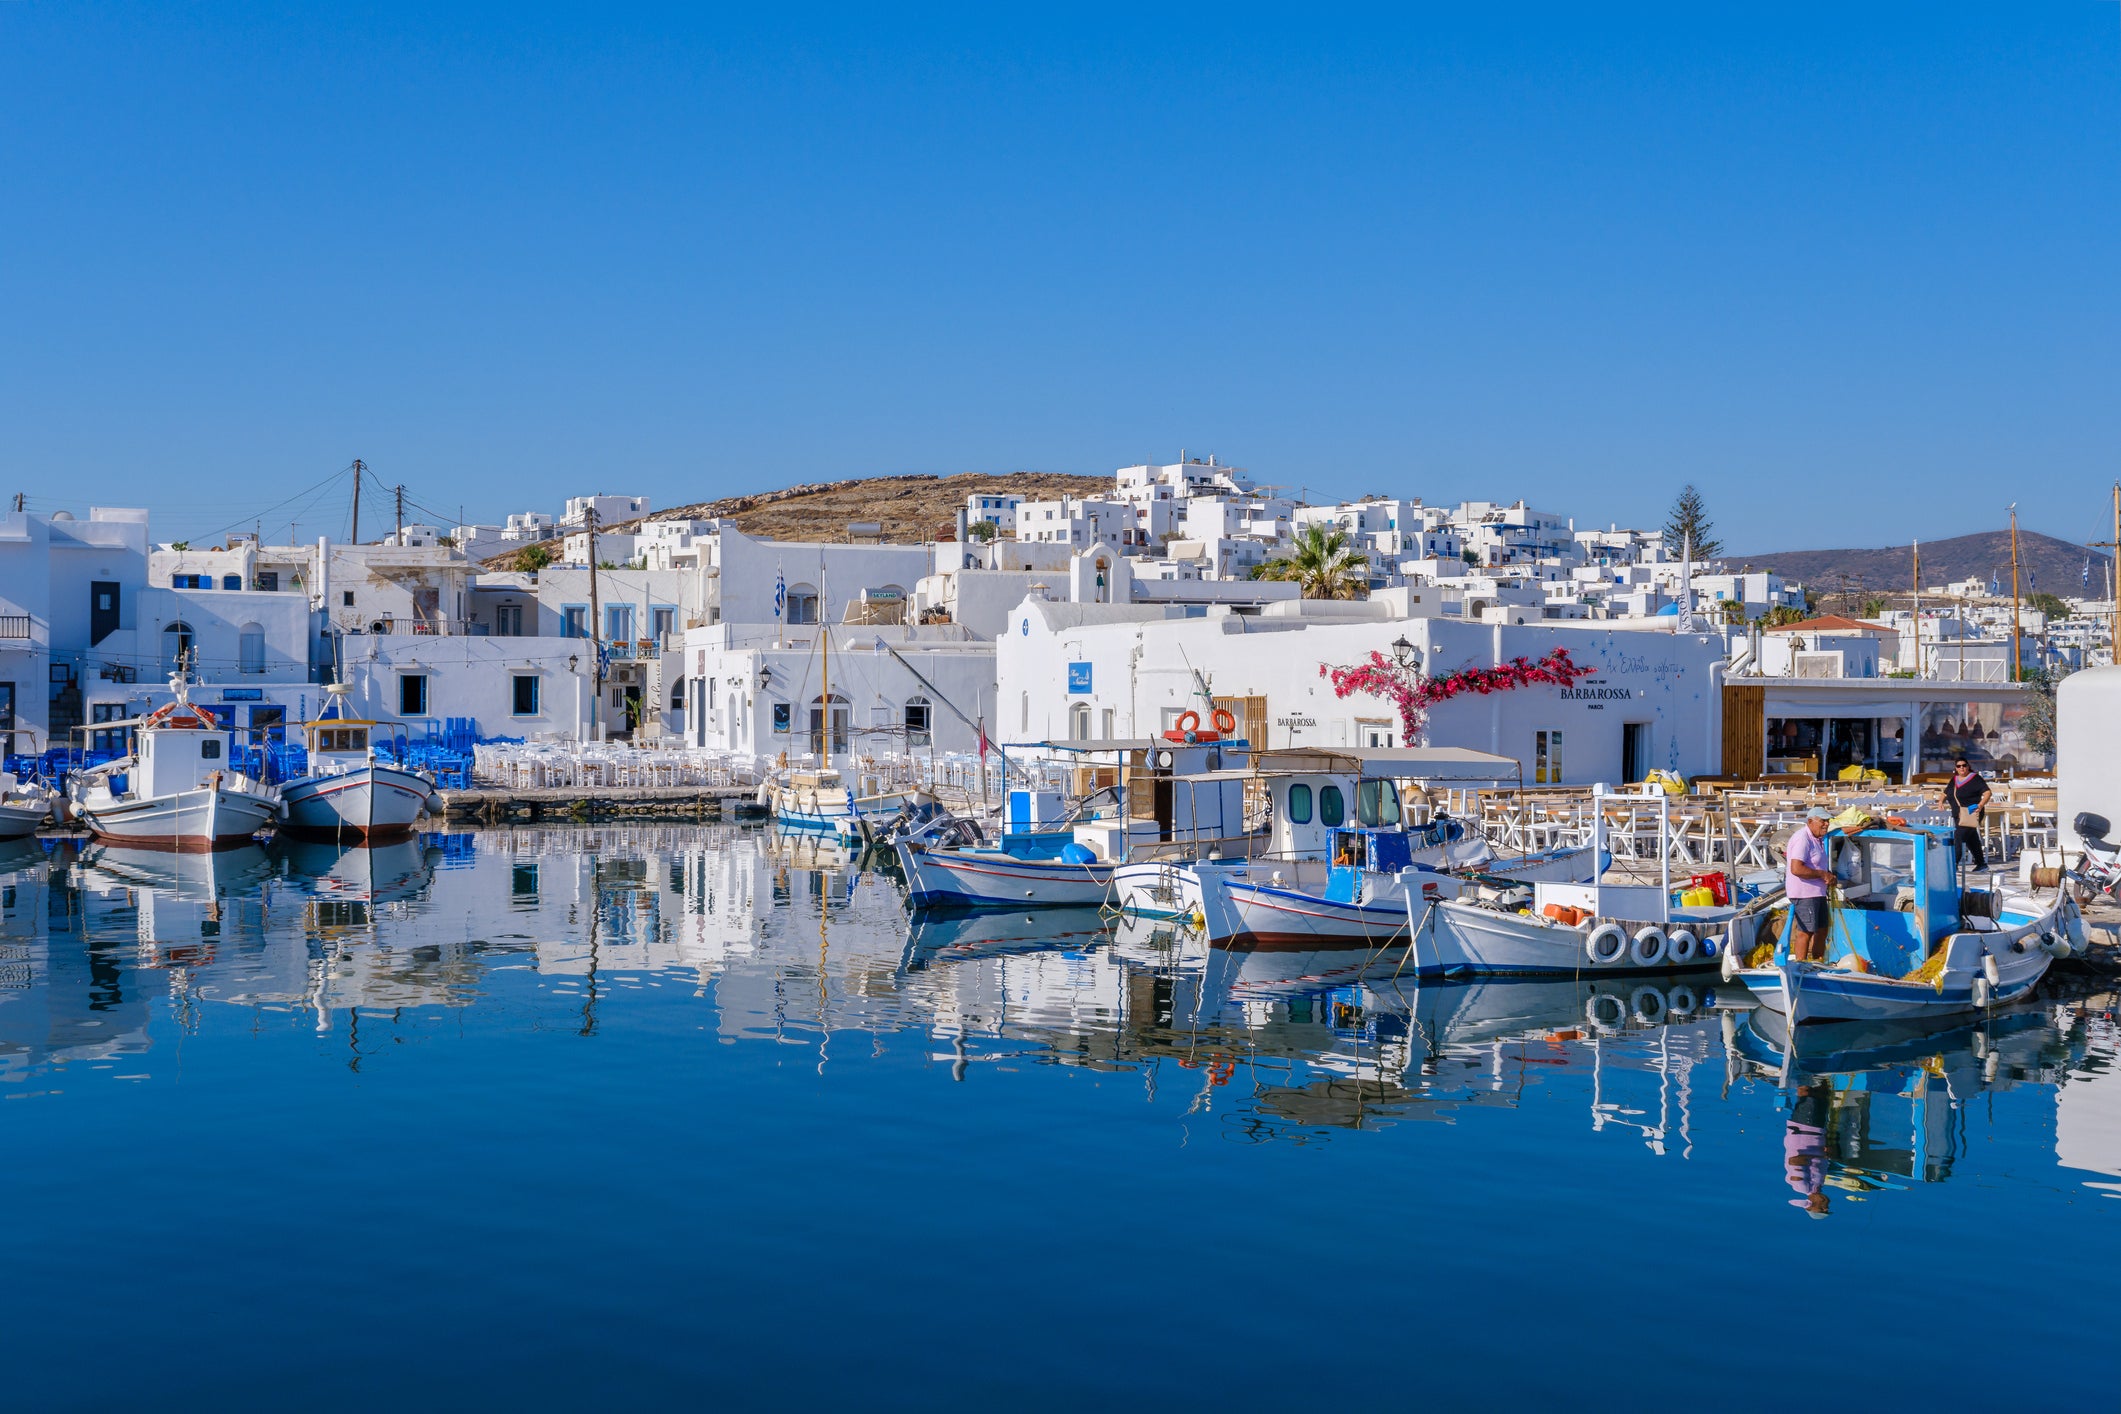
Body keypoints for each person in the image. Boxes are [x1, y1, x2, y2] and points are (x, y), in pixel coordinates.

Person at [1785, 805, 1835, 963]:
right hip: (1804, 893)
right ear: (1810, 821)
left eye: (1827, 821)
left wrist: (1829, 876)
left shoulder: (1817, 838)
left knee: (1822, 930)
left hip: (1817, 892)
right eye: (1823, 821)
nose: (1826, 824)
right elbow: (1796, 868)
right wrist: (1822, 874)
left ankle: (1817, 963)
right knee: (1806, 932)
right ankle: (1800, 966)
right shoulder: (1803, 838)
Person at [1941, 755, 1992, 872]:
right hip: (1958, 814)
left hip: (1971, 812)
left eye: (1964, 765)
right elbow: (1945, 793)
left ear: (1968, 766)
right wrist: (1940, 802)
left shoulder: (1975, 778)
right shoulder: (1954, 780)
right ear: (1956, 768)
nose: (1962, 768)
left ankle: (1953, 863)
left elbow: (1988, 793)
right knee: (1971, 838)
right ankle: (1981, 864)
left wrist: (1980, 805)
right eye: (1959, 766)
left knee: (1959, 837)